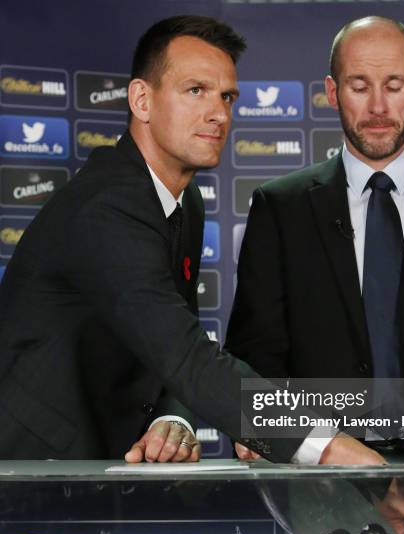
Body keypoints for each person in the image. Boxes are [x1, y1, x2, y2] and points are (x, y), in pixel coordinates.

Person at [226, 16, 404, 534]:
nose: (376, 107)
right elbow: (254, 370)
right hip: (322, 488)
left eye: (393, 86)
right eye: (358, 85)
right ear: (331, 92)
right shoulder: (280, 208)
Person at [0, 15, 292, 464]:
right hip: (26, 470)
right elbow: (185, 357)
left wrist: (170, 418)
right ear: (142, 99)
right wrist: (322, 443)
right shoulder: (108, 205)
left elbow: (173, 333)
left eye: (227, 96)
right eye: (196, 90)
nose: (219, 112)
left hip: (104, 465)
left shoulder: (186, 199)